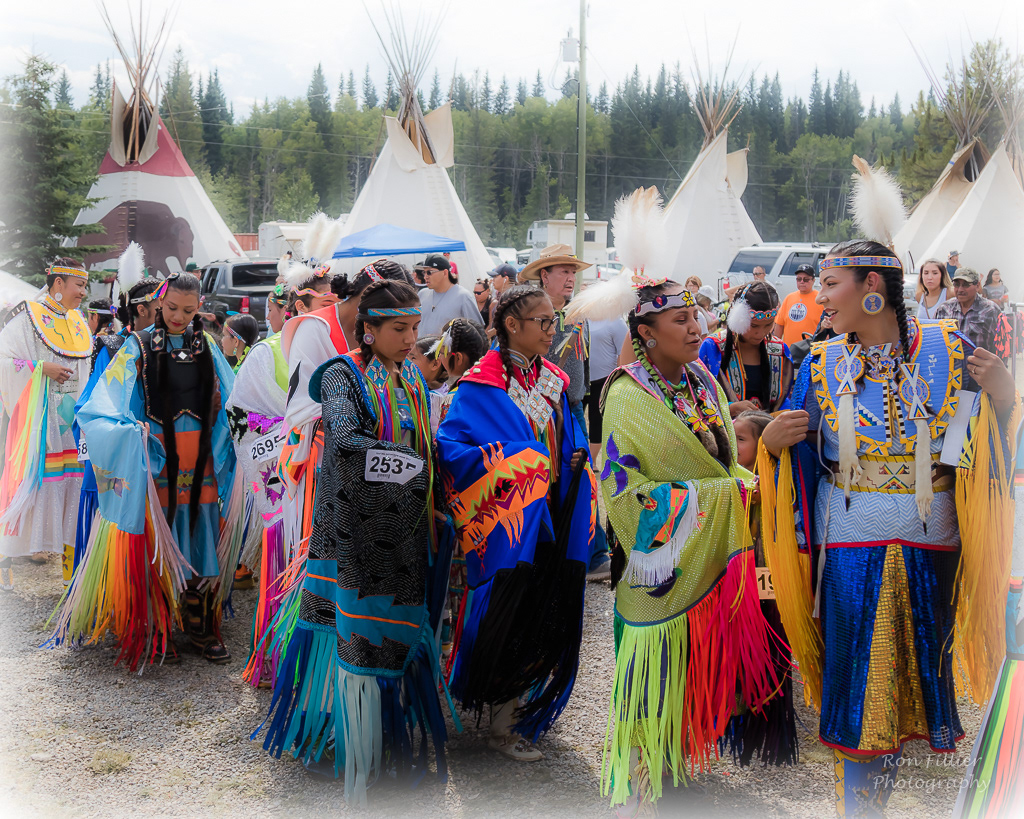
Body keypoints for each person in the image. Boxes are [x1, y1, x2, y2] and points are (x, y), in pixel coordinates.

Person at [758, 213, 1019, 819]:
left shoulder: (952, 355)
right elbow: (793, 456)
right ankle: (860, 809)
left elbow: (985, 453)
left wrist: (1005, 400)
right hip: (850, 546)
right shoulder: (818, 365)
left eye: (831, 284)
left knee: (907, 686)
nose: (819, 297)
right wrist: (773, 444)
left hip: (932, 547)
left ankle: (874, 802)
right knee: (858, 690)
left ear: (873, 287)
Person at [562, 191, 777, 811]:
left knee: (691, 679)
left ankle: (678, 760)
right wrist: (728, 492)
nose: (694, 326)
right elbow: (626, 492)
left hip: (708, 564)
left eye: (696, 316)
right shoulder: (624, 396)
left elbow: (724, 461)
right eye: (678, 320)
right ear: (644, 333)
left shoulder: (706, 382)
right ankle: (635, 772)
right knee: (650, 676)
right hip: (657, 570)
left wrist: (743, 477)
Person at [256, 280, 452, 805]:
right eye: (398, 329)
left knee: (390, 632)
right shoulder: (344, 375)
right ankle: (332, 738)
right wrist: (413, 470)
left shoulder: (408, 373)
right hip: (350, 533)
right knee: (340, 634)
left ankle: (381, 738)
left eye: (414, 328)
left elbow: (424, 443)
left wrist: (431, 490)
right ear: (368, 329)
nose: (411, 339)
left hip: (402, 532)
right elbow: (346, 444)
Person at [436, 284, 595, 762]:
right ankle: (500, 725)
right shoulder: (481, 384)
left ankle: (517, 710)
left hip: (551, 518)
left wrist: (573, 458)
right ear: (511, 324)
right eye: (543, 322)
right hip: (507, 526)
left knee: (539, 611)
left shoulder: (553, 381)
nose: (553, 330)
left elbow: (572, 435)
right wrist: (517, 463)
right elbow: (453, 448)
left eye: (554, 321)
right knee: (509, 609)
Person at [55, 272, 240, 670]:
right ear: (159, 301)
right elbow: (103, 405)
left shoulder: (206, 344)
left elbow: (236, 397)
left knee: (199, 530)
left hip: (199, 458)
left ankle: (199, 624)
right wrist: (130, 433)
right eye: (171, 308)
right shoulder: (136, 347)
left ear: (199, 308)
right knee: (160, 537)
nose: (178, 316)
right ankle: (156, 624)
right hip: (156, 457)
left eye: (188, 311)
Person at [72, 244, 165, 574]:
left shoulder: (168, 348)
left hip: (156, 456)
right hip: (118, 454)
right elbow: (86, 409)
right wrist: (122, 434)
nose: (170, 315)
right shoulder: (112, 349)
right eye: (161, 308)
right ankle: (103, 586)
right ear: (141, 311)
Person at [0, 259, 91, 588]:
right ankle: (4, 560)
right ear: (57, 285)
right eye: (78, 285)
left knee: (73, 490)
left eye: (84, 286)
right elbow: (4, 361)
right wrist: (42, 368)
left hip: (69, 423)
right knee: (26, 490)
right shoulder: (27, 317)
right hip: (37, 424)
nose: (83, 292)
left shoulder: (77, 321)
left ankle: (71, 571)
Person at [520, 244, 608, 580]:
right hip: (541, 405)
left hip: (571, 406)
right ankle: (575, 551)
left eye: (573, 271)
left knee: (580, 473)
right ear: (545, 275)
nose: (571, 277)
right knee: (552, 474)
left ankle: (593, 552)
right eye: (563, 271)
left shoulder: (576, 313)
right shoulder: (533, 315)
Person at [225, 282, 292, 688]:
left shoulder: (343, 348)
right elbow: (239, 414)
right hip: (282, 478)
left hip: (324, 483)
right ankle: (276, 657)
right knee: (283, 558)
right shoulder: (266, 355)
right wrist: (294, 430)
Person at [726, 409, 797, 769]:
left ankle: (760, 721)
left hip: (766, 583)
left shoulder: (776, 485)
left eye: (740, 439)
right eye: (730, 437)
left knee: (768, 652)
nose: (732, 445)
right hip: (735, 585)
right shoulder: (725, 480)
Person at [699, 281, 793, 415]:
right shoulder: (713, 347)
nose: (760, 333)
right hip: (727, 433)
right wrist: (729, 408)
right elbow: (697, 396)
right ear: (738, 318)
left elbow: (785, 399)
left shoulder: (780, 350)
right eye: (754, 326)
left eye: (768, 325)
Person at [935, 267, 1009, 389]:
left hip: (981, 382)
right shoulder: (944, 310)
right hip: (950, 383)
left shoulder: (990, 310)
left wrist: (999, 379)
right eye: (957, 285)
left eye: (966, 285)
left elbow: (1002, 348)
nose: (960, 290)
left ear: (977, 285)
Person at [417, 254, 481, 337]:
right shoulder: (422, 294)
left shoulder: (464, 296)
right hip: (420, 349)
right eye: (424, 272)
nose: (425, 276)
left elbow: (477, 331)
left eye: (429, 272)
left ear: (445, 273)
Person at [774, 264, 824, 346]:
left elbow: (827, 327)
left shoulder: (820, 300)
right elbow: (779, 324)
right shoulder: (789, 298)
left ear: (813, 280)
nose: (802, 282)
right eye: (799, 279)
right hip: (790, 351)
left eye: (806, 279)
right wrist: (776, 345)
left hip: (811, 350)